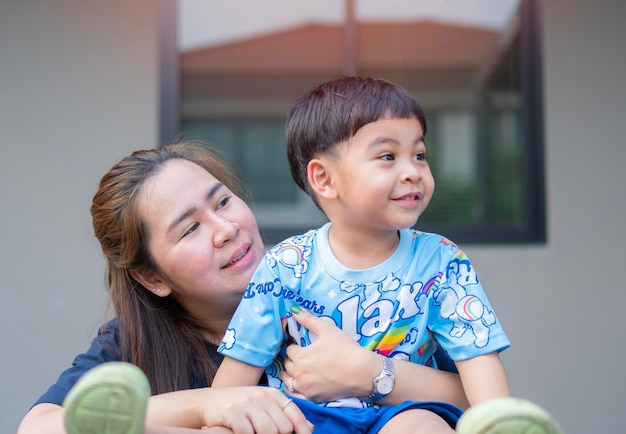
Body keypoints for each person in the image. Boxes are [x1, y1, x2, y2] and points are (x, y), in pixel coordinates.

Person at [18, 142, 473, 434]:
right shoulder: (131, 343)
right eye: (189, 229)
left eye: (222, 202)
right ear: (151, 278)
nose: (226, 229)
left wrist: (369, 373)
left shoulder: (345, 290)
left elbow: (477, 402)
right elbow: (41, 427)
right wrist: (210, 406)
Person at [213, 77, 563, 434]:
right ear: (325, 179)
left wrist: (499, 421)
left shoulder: (440, 261)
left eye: (420, 155)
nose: (413, 172)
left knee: (425, 426)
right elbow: (232, 384)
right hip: (303, 417)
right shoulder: (285, 265)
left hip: (400, 413)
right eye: (387, 156)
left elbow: (478, 359)